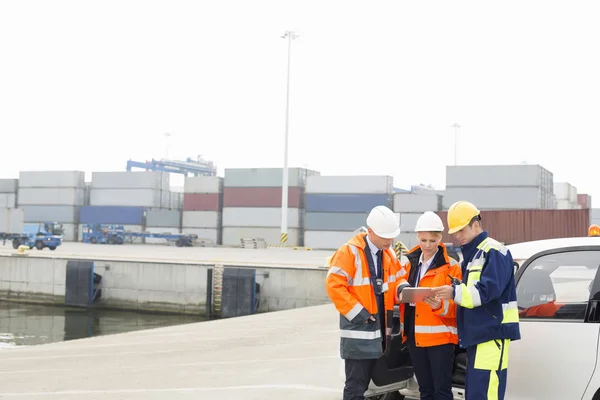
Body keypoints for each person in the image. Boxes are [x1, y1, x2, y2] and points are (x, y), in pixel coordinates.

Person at [432, 201, 521, 400]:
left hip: (490, 336)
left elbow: (486, 292)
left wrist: (453, 291)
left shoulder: (494, 251)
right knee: (476, 394)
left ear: (476, 225)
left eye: (461, 230)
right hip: (479, 336)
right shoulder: (473, 257)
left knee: (485, 394)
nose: (458, 236)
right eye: (455, 232)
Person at [325, 205, 403, 400]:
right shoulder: (349, 252)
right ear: (370, 232)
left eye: (391, 236)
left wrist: (404, 290)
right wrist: (360, 314)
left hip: (378, 334)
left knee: (368, 388)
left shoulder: (389, 254)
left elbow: (399, 278)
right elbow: (334, 285)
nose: (390, 240)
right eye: (385, 236)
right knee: (355, 387)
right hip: (359, 331)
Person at [396, 211, 462, 400]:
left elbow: (458, 307)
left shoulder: (452, 267)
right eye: (423, 240)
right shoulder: (410, 264)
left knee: (441, 392)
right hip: (415, 338)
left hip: (441, 341)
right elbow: (398, 284)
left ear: (440, 238)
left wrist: (439, 305)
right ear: (418, 237)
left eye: (432, 241)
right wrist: (402, 291)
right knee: (424, 391)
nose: (427, 245)